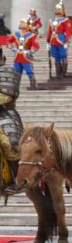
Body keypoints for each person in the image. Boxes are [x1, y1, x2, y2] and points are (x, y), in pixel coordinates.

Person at [0, 58, 23, 194]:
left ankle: (17, 180)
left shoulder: (8, 72)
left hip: (4, 116)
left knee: (9, 143)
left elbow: (7, 96)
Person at [3, 20, 40, 90]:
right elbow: (8, 41)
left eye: (23, 23)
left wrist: (30, 52)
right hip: (17, 57)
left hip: (26, 57)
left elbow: (36, 46)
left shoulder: (31, 35)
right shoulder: (16, 34)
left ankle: (33, 86)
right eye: (21, 23)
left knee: (30, 72)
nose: (21, 24)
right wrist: (12, 48)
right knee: (16, 73)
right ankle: (15, 87)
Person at [47, 0, 72, 80]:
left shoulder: (65, 20)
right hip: (53, 41)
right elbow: (49, 31)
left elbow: (68, 31)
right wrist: (48, 41)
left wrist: (67, 41)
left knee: (63, 56)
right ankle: (58, 74)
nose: (57, 11)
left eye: (59, 9)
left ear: (62, 10)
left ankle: (63, 74)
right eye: (56, 9)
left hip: (61, 39)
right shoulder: (52, 20)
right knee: (56, 58)